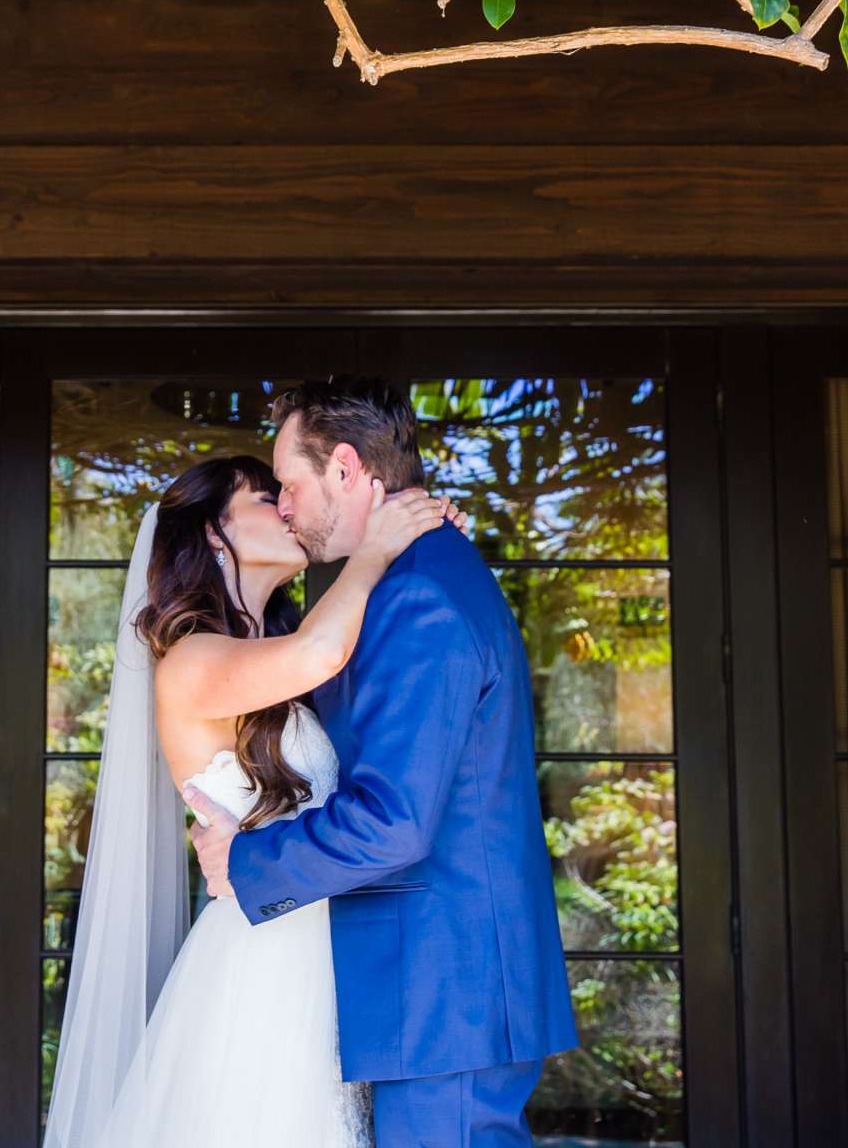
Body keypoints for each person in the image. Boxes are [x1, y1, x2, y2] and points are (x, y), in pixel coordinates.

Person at [186, 377, 577, 1148]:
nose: (285, 505)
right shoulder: (407, 582)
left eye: (289, 485)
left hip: (447, 989)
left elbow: (393, 821)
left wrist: (248, 859)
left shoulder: (419, 596)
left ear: (343, 468)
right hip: (431, 989)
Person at [42, 449, 461, 1148]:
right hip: (264, 965)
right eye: (268, 499)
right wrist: (379, 545)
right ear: (213, 533)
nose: (289, 509)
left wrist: (424, 539)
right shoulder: (190, 658)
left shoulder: (281, 655)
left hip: (324, 950)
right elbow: (321, 652)